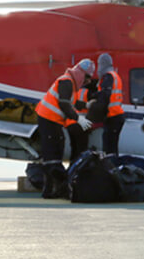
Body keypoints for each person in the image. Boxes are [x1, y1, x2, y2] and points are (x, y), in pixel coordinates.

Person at [35, 58, 95, 198]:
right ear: (81, 73)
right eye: (86, 77)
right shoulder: (66, 82)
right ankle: (53, 189)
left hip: (53, 120)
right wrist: (78, 118)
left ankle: (52, 190)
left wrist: (86, 106)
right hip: (48, 119)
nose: (87, 82)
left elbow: (72, 103)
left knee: (57, 149)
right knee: (52, 153)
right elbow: (64, 105)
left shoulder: (71, 85)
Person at [88, 53, 125, 155]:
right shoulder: (115, 76)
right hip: (116, 116)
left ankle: (111, 167)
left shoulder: (108, 77)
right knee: (112, 147)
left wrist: (93, 99)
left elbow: (105, 96)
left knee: (109, 147)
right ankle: (113, 166)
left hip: (113, 117)